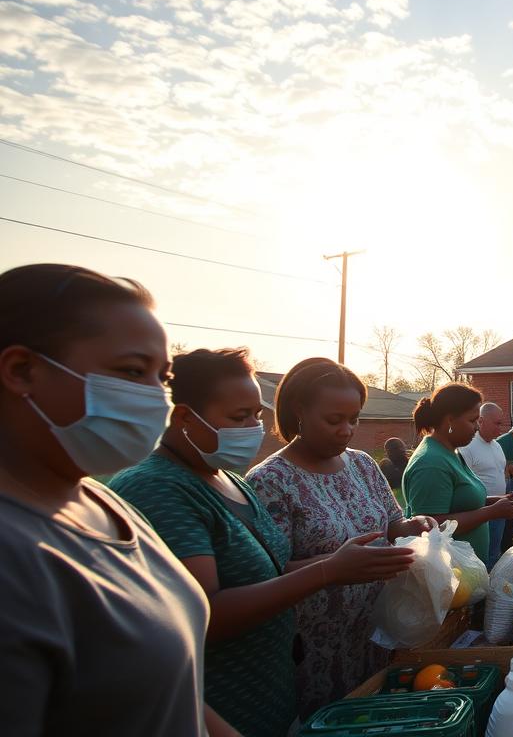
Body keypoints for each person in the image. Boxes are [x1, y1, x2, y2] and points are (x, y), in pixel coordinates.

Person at [112, 348, 416, 737]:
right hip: (227, 706)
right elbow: (201, 615)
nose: (254, 428)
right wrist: (329, 570)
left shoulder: (228, 480)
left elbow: (271, 571)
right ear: (185, 417)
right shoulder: (160, 489)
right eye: (240, 417)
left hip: (275, 693)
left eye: (256, 414)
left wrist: (351, 563)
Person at [0, 264, 228, 736]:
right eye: (130, 371)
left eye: (161, 377)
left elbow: (165, 688)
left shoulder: (103, 502)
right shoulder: (14, 558)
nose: (156, 398)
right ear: (22, 370)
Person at [246, 358, 439, 717]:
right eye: (334, 420)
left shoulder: (363, 464)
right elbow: (268, 573)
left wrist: (414, 526)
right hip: (315, 648)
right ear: (297, 412)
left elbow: (389, 524)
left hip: (377, 631)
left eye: (354, 419)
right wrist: (332, 567)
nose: (346, 430)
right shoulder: (271, 481)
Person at [403, 385, 513, 564]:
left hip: (466, 571)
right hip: (449, 573)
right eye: (472, 420)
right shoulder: (431, 463)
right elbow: (430, 526)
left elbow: (459, 501)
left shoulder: (451, 452)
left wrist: (498, 500)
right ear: (450, 420)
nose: (477, 427)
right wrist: (491, 512)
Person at [458, 402, 513, 568]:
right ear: (481, 421)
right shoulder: (467, 446)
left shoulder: (497, 445)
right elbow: (462, 482)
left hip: (499, 509)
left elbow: (500, 471)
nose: (501, 428)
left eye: (501, 423)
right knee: (481, 557)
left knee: (494, 553)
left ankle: (492, 587)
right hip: (480, 512)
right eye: (497, 423)